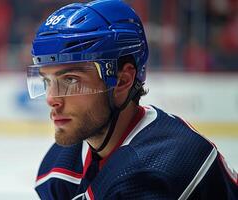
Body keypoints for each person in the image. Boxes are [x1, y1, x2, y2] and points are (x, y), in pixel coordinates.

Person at [27, 1, 238, 199]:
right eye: (47, 80)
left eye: (70, 80)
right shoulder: (60, 166)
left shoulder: (154, 170)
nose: (51, 98)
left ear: (122, 80)